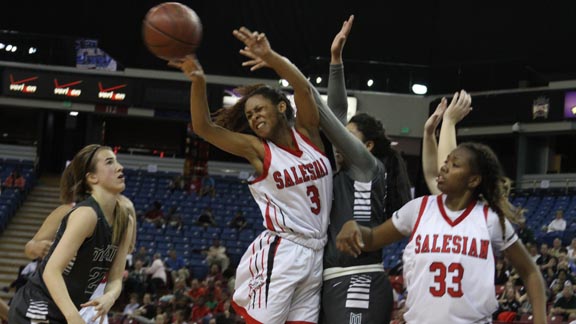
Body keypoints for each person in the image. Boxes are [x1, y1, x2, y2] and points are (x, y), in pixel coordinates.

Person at [170, 26, 333, 324]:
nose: (254, 117)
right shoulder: (259, 150)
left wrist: (271, 57)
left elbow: (304, 89)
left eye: (259, 110)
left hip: (316, 254)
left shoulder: (309, 134)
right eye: (249, 115)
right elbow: (205, 128)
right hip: (284, 252)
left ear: (282, 107)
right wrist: (198, 81)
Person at [336, 139, 548, 323]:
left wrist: (540, 320)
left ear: (473, 180)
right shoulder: (419, 209)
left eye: (455, 165)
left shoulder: (490, 220)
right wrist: (353, 226)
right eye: (446, 162)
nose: (445, 167)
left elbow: (530, 272)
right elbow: (372, 238)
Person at [9, 144, 135, 324]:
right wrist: (73, 317)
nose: (120, 166)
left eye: (117, 161)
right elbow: (51, 271)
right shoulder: (86, 214)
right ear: (92, 177)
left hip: (67, 309)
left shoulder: (125, 221)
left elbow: (115, 278)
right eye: (109, 162)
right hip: (40, 303)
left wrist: (110, 297)